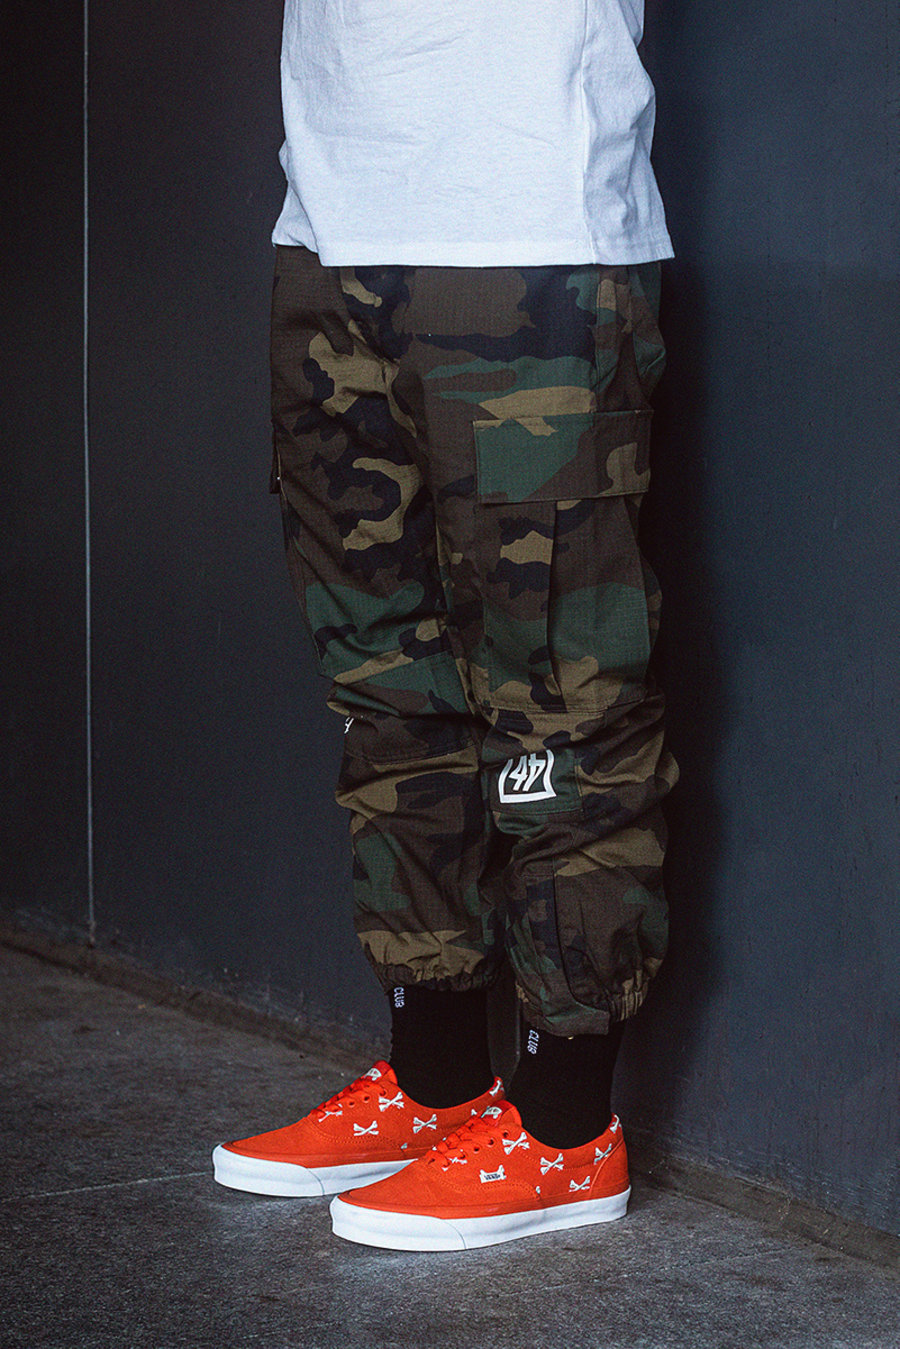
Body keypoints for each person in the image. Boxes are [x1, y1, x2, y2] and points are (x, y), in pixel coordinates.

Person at [212, 0, 679, 1251]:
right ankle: (437, 1084)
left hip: (527, 217)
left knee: (561, 699)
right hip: (329, 215)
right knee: (386, 683)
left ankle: (567, 1127)